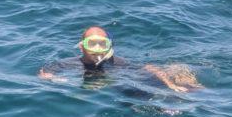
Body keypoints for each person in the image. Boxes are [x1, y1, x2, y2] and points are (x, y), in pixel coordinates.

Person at [38, 26, 203, 92]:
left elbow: (148, 68)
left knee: (184, 85)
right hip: (116, 91)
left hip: (132, 82)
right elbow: (47, 73)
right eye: (91, 44)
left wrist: (171, 84)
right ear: (82, 46)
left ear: (109, 46)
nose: (97, 49)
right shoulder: (67, 64)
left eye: (101, 44)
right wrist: (52, 79)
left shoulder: (117, 62)